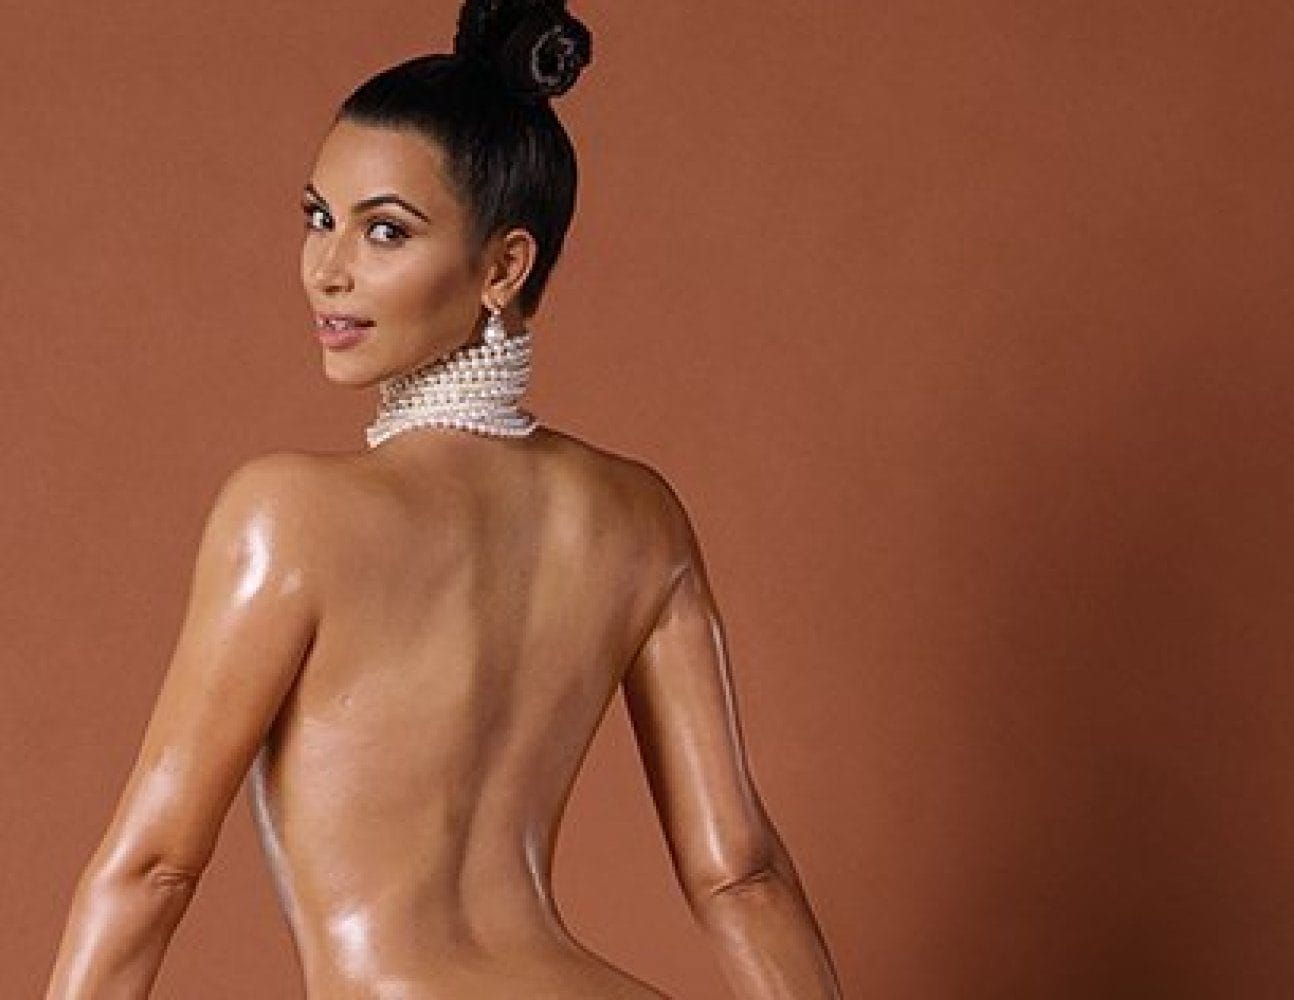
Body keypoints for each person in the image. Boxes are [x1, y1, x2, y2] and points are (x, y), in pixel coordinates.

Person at [43, 2, 843, 997]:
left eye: (384, 231)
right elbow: (740, 874)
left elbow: (153, 867)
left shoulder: (287, 516)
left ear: (504, 266)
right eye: (318, 218)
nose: (328, 268)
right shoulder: (639, 518)